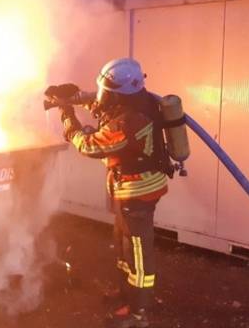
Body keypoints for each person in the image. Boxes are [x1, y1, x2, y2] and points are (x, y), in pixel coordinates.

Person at [56, 58, 173, 328]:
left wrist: (67, 117)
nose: (102, 95)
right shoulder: (136, 102)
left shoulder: (128, 124)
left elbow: (88, 145)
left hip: (138, 193)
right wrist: (72, 97)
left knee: (138, 253)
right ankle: (125, 294)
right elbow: (101, 105)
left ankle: (139, 313)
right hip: (127, 191)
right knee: (122, 243)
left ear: (119, 93)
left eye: (107, 90)